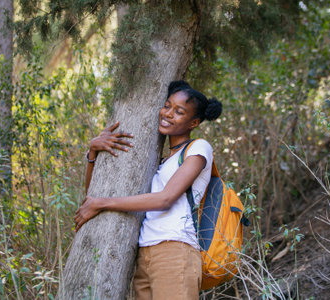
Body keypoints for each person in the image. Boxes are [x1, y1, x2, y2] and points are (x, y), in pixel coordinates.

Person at [74, 80, 222, 300]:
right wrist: (93, 152)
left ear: (194, 122)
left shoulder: (199, 148)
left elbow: (165, 199)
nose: (168, 114)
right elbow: (91, 197)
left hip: (175, 250)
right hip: (145, 255)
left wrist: (102, 203)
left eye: (179, 111)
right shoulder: (160, 163)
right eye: (167, 105)